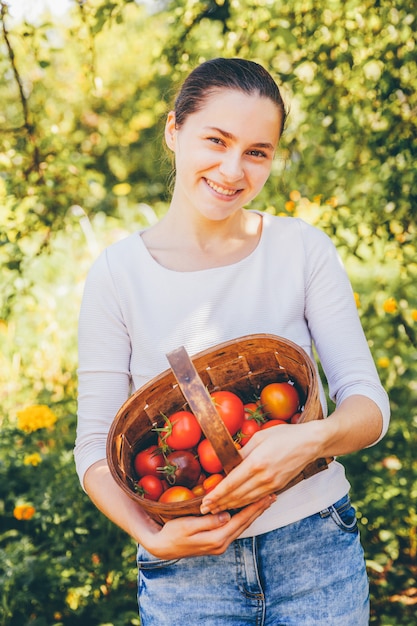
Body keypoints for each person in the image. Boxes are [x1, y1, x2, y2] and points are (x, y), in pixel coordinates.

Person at [74, 57, 390, 625]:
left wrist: (313, 439)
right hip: (186, 576)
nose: (232, 169)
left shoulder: (301, 250)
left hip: (315, 551)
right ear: (175, 131)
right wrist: (151, 535)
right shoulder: (117, 274)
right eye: (215, 140)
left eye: (256, 151)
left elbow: (369, 405)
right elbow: (94, 447)